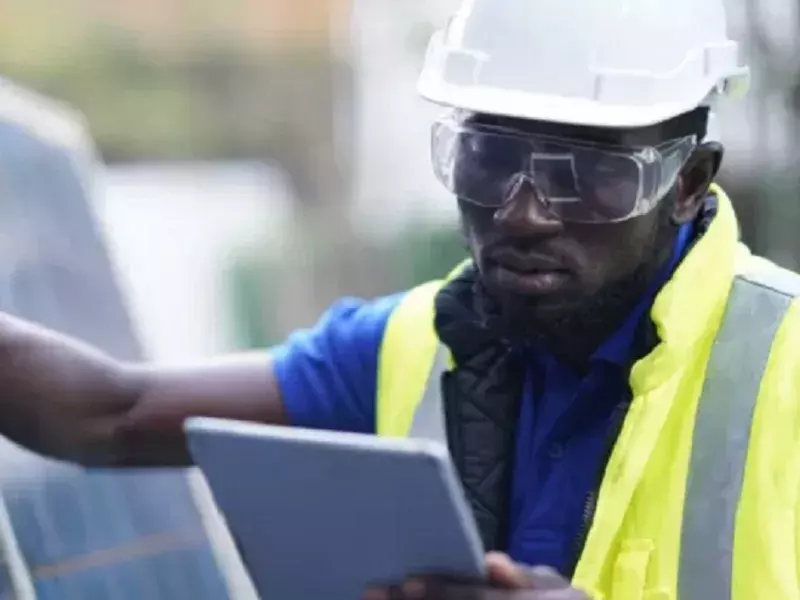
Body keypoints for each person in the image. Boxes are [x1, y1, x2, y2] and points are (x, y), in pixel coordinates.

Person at [0, 0, 793, 598]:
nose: (522, 211)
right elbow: (108, 412)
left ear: (689, 182)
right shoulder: (413, 346)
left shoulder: (784, 361)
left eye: (582, 172)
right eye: (488, 158)